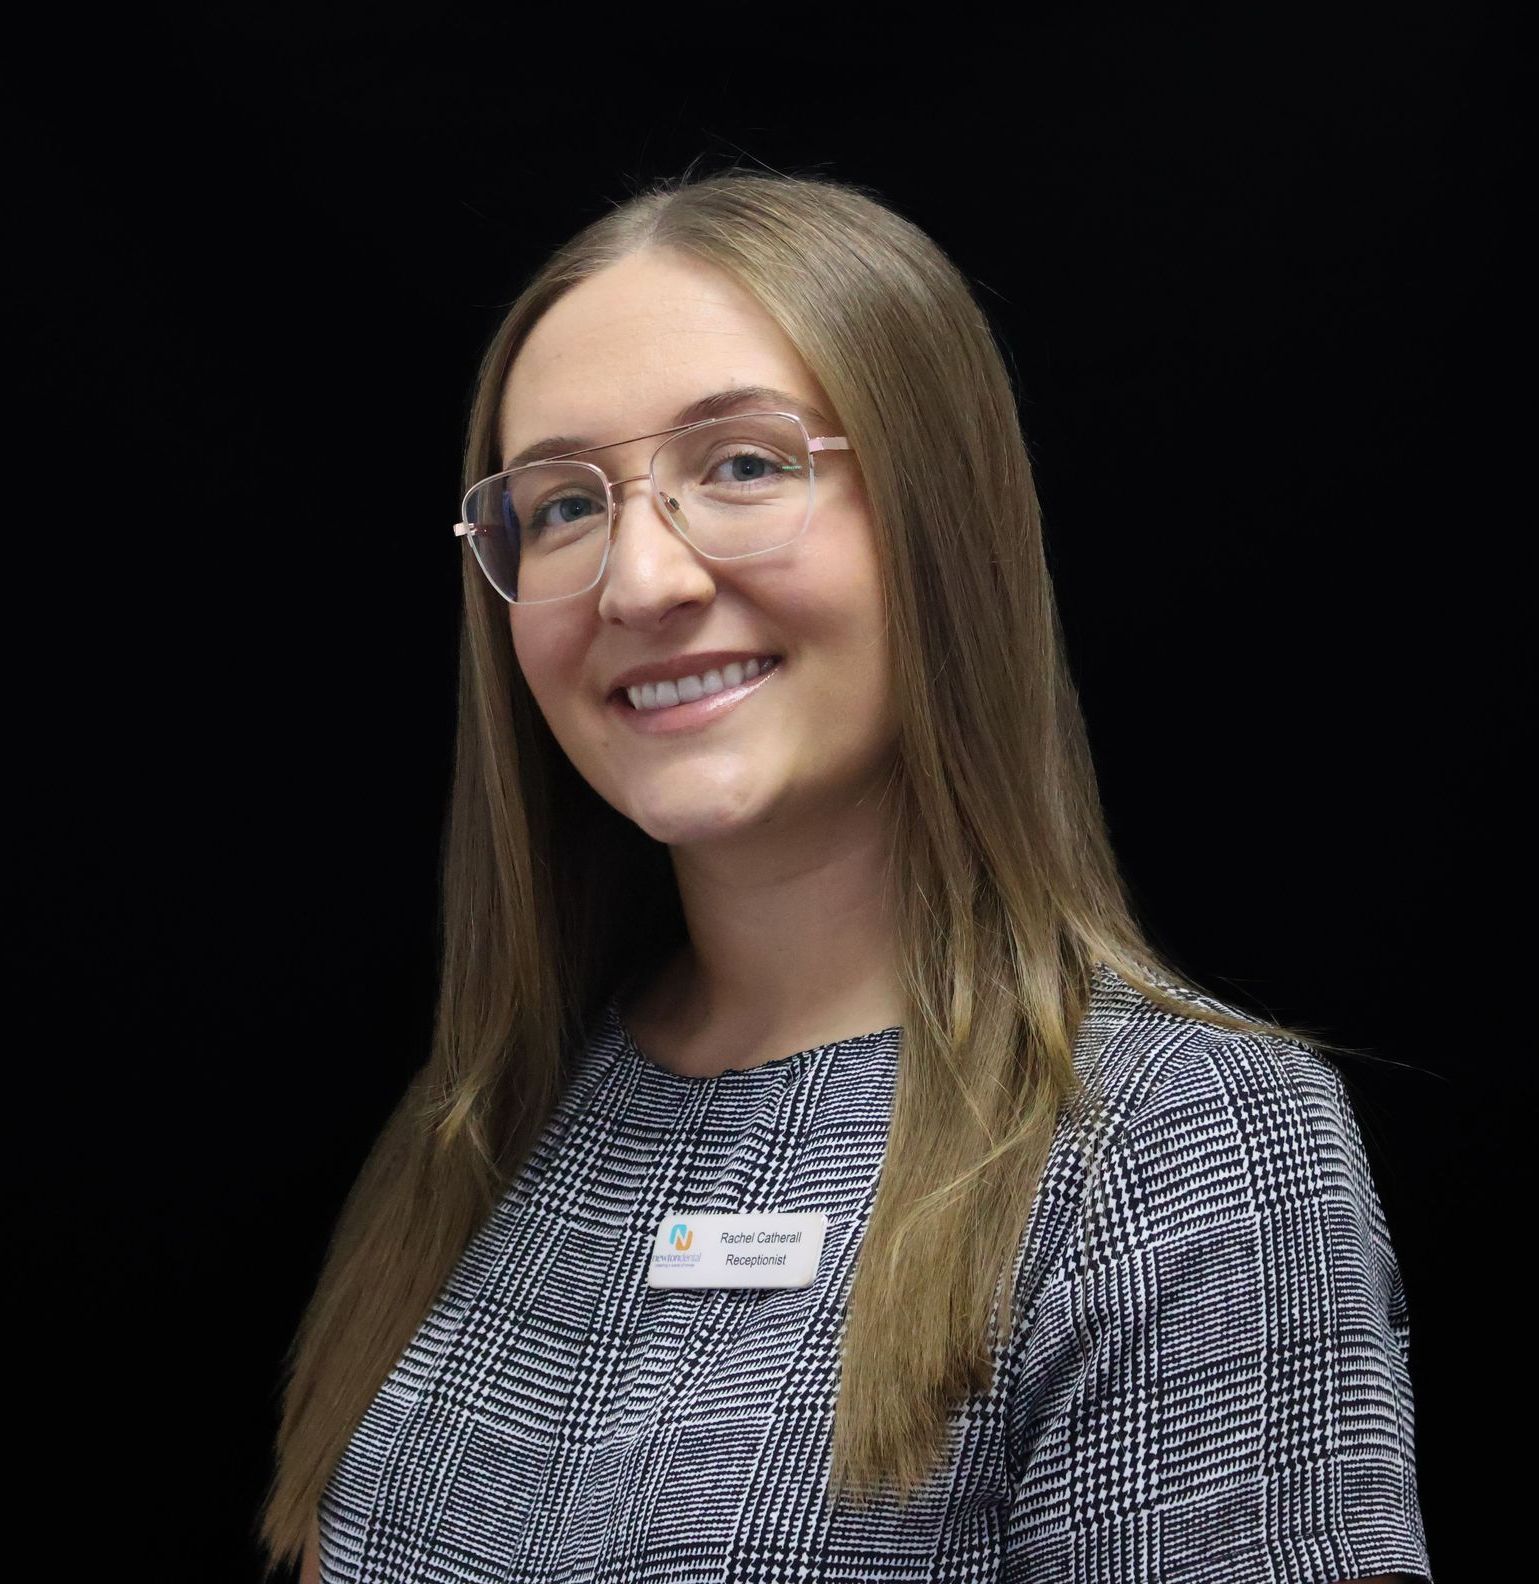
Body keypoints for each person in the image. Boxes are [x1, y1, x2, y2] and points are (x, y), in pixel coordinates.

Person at [258, 167, 1431, 1583]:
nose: (638, 581)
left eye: (743, 467)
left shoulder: (1178, 1159)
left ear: (942, 518)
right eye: (564, 506)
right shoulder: (496, 1110)